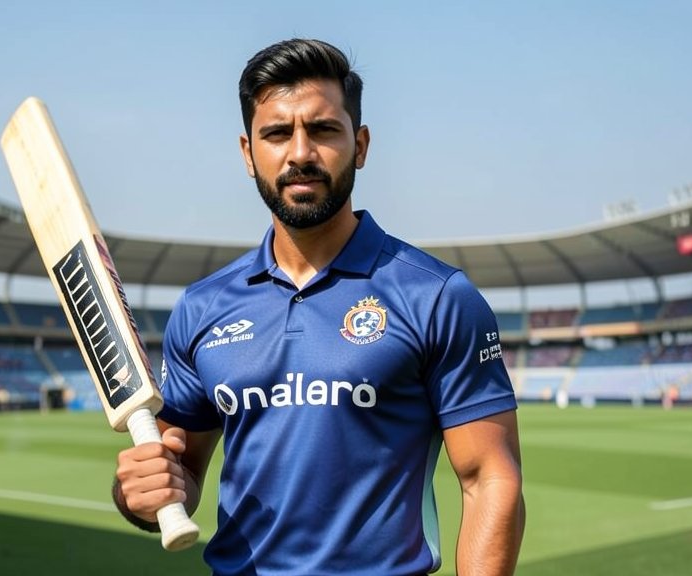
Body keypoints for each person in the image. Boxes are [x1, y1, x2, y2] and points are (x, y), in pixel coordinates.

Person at [114, 38, 525, 576]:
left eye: (324, 130)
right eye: (277, 133)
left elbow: (489, 477)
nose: (300, 153)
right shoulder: (202, 307)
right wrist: (143, 495)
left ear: (361, 144)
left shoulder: (437, 295)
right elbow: (181, 469)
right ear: (247, 153)